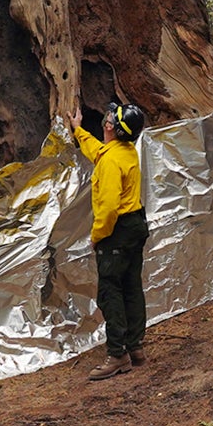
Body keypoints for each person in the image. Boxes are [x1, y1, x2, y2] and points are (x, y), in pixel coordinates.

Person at [71, 101, 148, 381]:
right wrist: (78, 131)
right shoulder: (124, 152)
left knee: (110, 292)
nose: (104, 123)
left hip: (117, 230)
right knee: (131, 286)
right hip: (135, 225)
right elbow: (98, 152)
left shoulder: (112, 161)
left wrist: (97, 236)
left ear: (111, 128)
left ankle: (117, 355)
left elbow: (109, 207)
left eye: (108, 120)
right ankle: (135, 347)